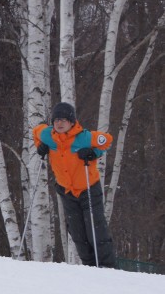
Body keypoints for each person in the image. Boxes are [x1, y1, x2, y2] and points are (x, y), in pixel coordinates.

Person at [33, 102, 116, 268]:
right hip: (67, 192)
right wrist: (40, 147)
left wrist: (94, 152)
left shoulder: (84, 137)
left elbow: (107, 140)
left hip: (89, 189)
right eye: (56, 120)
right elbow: (36, 132)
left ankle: (107, 267)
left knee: (96, 231)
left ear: (72, 122)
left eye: (64, 120)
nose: (59, 123)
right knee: (78, 234)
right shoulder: (48, 135)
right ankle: (90, 266)